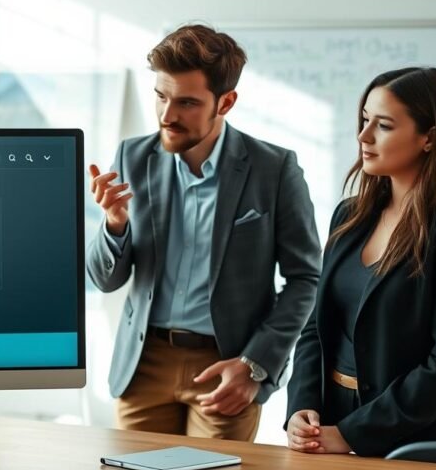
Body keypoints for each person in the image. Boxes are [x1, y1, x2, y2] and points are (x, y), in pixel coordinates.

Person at [86, 24, 321, 440]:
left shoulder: (274, 169)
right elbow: (105, 280)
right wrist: (115, 225)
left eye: (187, 103)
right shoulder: (132, 155)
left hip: (225, 366)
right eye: (161, 96)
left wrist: (255, 366)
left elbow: (305, 279)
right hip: (142, 364)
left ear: (226, 102)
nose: (166, 115)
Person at [286, 67, 436, 457]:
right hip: (329, 428)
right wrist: (302, 409)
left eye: (384, 125)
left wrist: (354, 434)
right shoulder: (350, 215)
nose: (363, 136)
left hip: (421, 441)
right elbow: (316, 328)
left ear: (430, 138)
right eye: (364, 120)